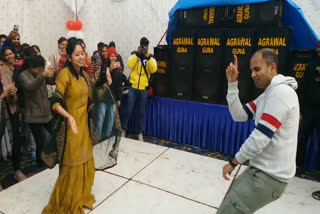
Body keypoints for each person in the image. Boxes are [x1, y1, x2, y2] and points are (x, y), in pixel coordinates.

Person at [217, 48, 300, 213]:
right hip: (260, 170)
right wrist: (232, 84)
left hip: (269, 176)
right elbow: (239, 115)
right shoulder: (267, 95)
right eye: (251, 70)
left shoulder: (281, 93)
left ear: (272, 67)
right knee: (229, 202)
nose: (253, 75)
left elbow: (260, 138)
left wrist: (233, 162)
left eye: (257, 69)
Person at [42, 38, 95, 213]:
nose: (81, 57)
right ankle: (66, 202)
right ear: (70, 57)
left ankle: (79, 196)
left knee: (85, 159)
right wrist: (69, 117)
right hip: (69, 129)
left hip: (83, 127)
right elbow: (55, 101)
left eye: (83, 53)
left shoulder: (85, 76)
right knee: (72, 163)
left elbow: (92, 98)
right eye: (77, 54)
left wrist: (106, 84)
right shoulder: (64, 74)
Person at [19, 55, 55, 167]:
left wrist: (52, 73)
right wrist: (42, 75)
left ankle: (53, 158)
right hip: (34, 116)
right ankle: (41, 165)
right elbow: (30, 86)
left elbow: (52, 81)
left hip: (46, 114)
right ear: (30, 67)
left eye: (42, 69)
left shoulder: (41, 73)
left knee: (56, 132)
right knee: (40, 142)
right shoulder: (23, 75)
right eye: (38, 69)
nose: (40, 71)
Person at [296, 41, 320, 200]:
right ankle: (297, 166)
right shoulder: (311, 65)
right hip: (309, 109)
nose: (319, 51)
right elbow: (302, 88)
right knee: (303, 137)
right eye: (318, 48)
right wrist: (301, 111)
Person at [122, 37, 157, 141]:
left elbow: (154, 69)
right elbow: (129, 64)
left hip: (143, 89)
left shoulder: (151, 57)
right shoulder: (134, 54)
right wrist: (137, 54)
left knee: (141, 112)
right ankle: (124, 130)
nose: (144, 47)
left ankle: (140, 133)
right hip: (133, 87)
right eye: (143, 45)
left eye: (146, 45)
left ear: (148, 46)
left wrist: (148, 57)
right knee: (129, 110)